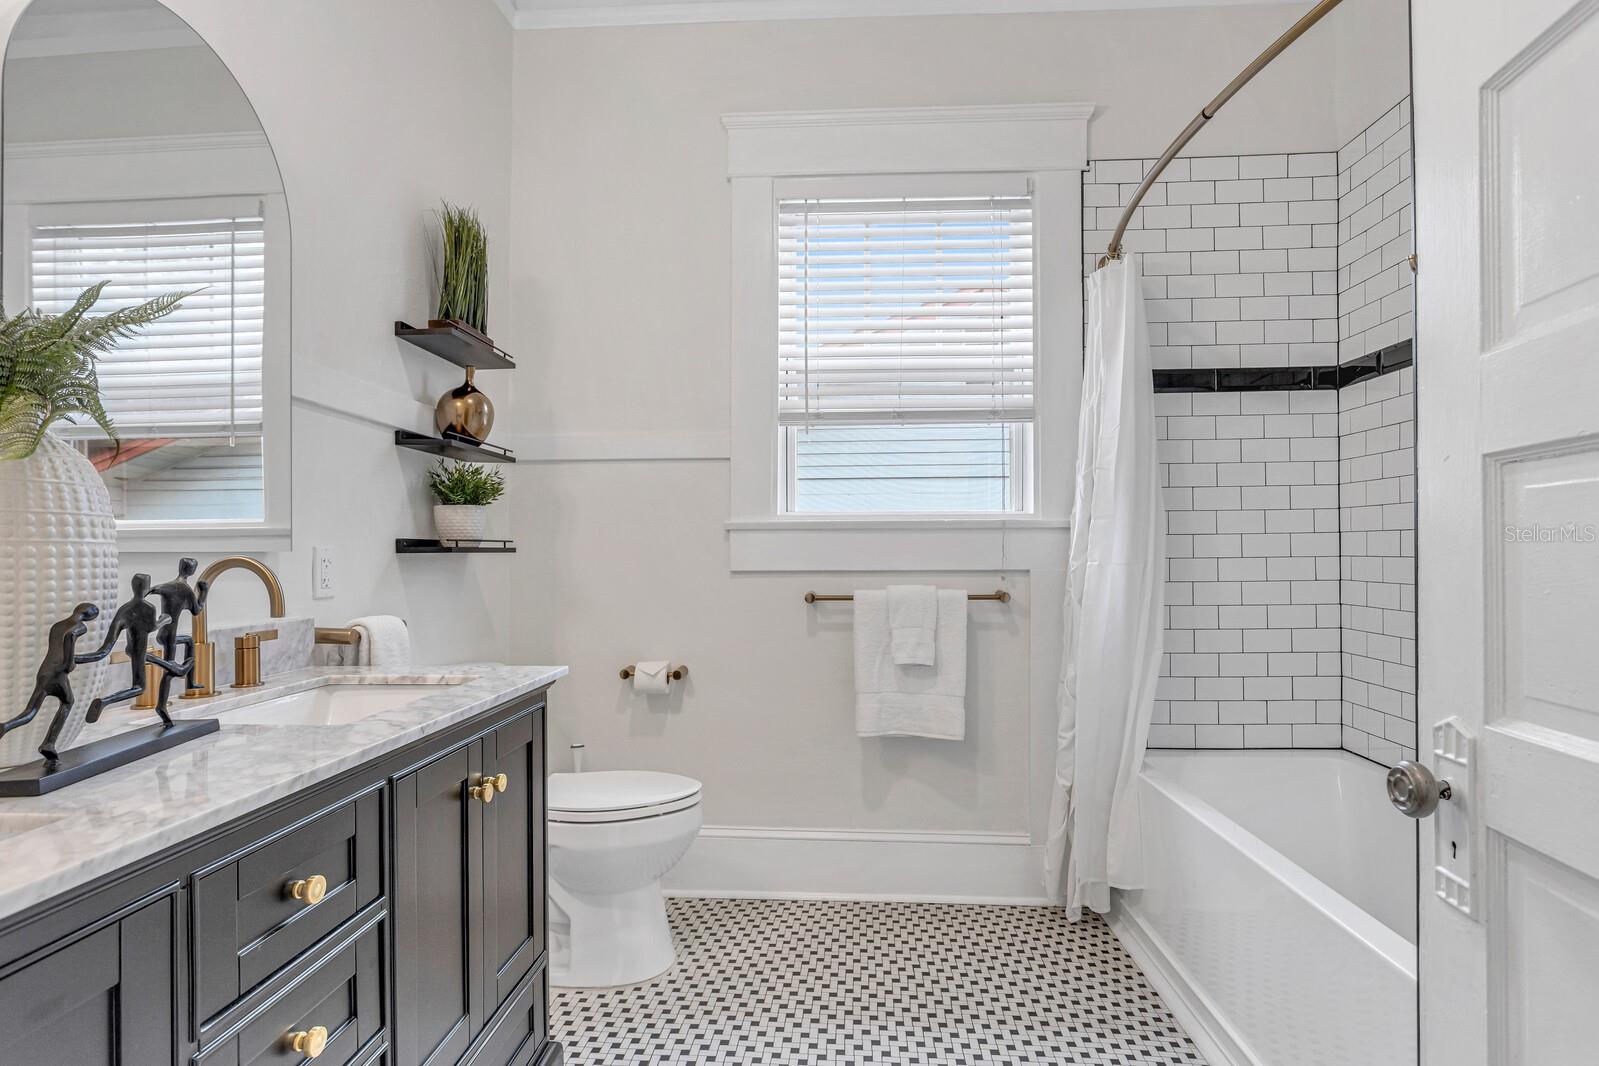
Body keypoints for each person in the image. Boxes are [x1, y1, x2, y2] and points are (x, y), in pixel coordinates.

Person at [0, 603, 100, 763]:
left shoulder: (58, 625)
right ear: (90, 616)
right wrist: (69, 663)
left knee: (30, 711)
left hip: (45, 671)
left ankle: (5, 726)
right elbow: (70, 637)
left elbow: (55, 649)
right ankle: (49, 743)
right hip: (58, 673)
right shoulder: (80, 627)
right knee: (68, 702)